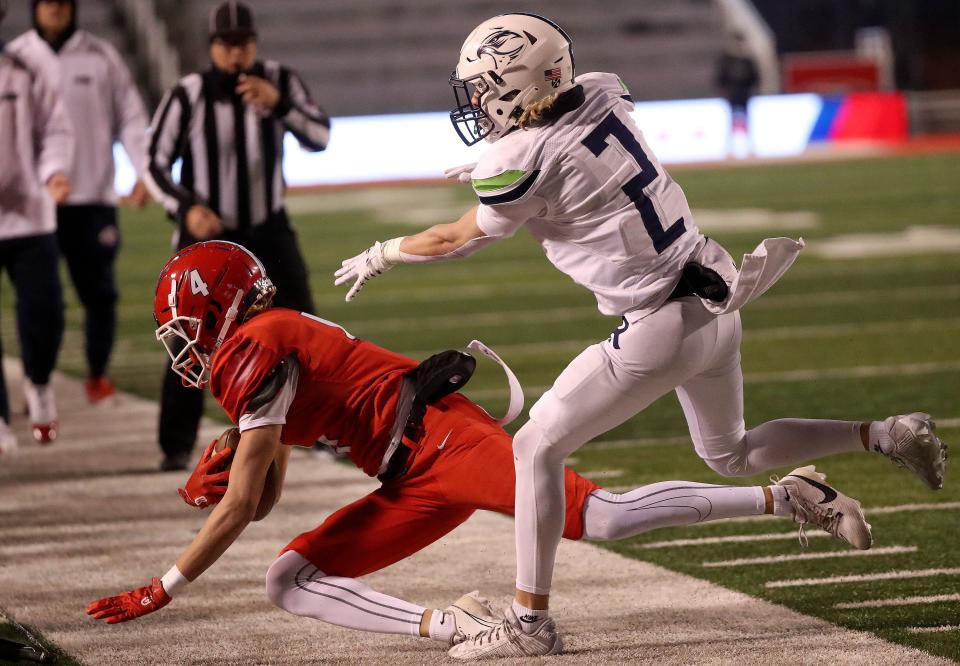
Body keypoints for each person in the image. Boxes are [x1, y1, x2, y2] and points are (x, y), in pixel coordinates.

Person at [332, 13, 949, 659]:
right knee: (730, 454)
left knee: (535, 449)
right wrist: (502, 163)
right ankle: (884, 434)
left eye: (486, 87)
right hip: (715, 297)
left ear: (515, 84)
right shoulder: (604, 90)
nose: (479, 101)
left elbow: (455, 240)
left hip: (658, 326)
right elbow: (564, 151)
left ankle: (529, 623)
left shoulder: (518, 159)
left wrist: (384, 251)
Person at [87, 241, 873, 651]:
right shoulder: (266, 346)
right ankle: (453, 625)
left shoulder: (254, 348)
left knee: (594, 518)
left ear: (218, 312)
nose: (182, 349)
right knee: (289, 577)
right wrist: (229, 466)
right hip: (409, 475)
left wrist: (163, 586)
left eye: (184, 330)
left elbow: (238, 510)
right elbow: (260, 502)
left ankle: (786, 493)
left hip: (442, 439)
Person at [144, 0, 329, 472]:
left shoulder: (279, 80)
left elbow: (321, 135)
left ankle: (324, 427)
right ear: (212, 48)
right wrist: (187, 209)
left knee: (305, 328)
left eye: (243, 43)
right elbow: (153, 161)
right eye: (227, 45)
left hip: (268, 227)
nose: (236, 54)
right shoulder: (188, 93)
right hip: (208, 240)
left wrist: (280, 104)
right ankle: (176, 445)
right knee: (189, 336)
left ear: (254, 43)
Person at [8, 0, 152, 406]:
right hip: (34, 202)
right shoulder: (18, 58)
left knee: (100, 293)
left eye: (62, 1)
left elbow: (132, 117)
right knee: (36, 298)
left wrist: (144, 171)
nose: (55, 9)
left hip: (92, 197)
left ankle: (97, 375)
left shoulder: (100, 55)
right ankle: (38, 380)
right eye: (47, 2)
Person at [0, 0, 72, 450]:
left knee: (46, 314)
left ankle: (40, 382)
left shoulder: (24, 68)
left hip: (30, 215)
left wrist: (54, 171)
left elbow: (57, 129)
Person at [715, 32, 759, 158]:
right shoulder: (727, 60)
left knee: (746, 120)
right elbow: (721, 77)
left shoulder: (747, 60)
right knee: (731, 121)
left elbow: (755, 77)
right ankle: (730, 148)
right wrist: (724, 91)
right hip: (732, 94)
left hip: (745, 94)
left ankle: (750, 147)